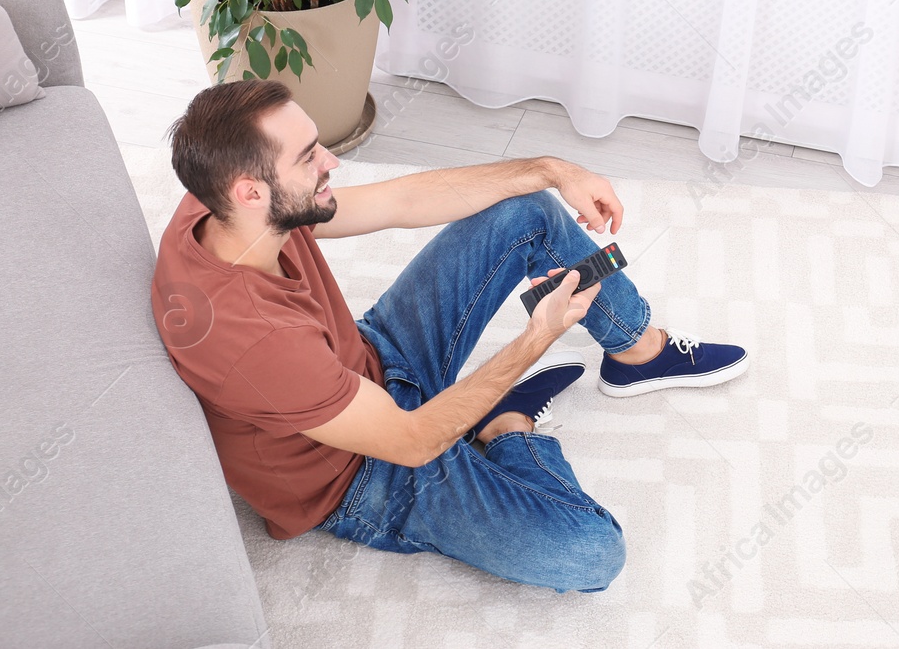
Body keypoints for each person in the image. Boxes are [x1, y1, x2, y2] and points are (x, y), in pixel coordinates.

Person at [149, 79, 747, 593]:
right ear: (249, 191)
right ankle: (508, 428)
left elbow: (399, 199)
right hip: (363, 473)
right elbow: (409, 442)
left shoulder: (223, 207)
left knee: (527, 207)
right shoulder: (253, 340)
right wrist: (535, 339)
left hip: (369, 361)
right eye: (308, 157)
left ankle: (639, 352)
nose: (331, 161)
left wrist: (551, 168)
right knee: (591, 553)